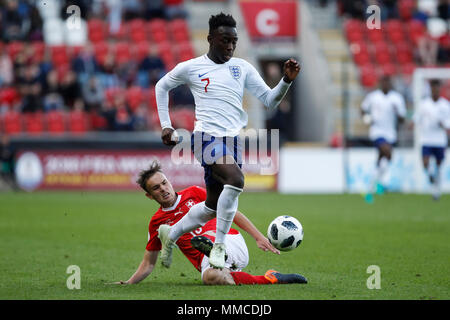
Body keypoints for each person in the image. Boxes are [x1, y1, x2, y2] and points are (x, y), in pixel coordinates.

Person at [154, 13, 300, 269]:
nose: (230, 46)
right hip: (205, 137)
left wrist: (286, 81)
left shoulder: (241, 68)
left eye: (234, 41)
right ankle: (219, 247)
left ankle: (171, 234)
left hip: (233, 140)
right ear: (210, 39)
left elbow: (269, 100)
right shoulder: (192, 67)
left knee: (212, 206)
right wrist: (166, 124)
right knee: (236, 180)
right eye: (225, 40)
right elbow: (161, 86)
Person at [107, 161, 308, 285]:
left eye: (164, 183)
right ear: (149, 196)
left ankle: (213, 249)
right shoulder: (156, 223)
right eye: (156, 188)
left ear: (169, 181)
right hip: (209, 264)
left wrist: (258, 237)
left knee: (211, 248)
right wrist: (129, 282)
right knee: (211, 278)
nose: (163, 189)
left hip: (230, 242)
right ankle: (270, 278)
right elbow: (149, 263)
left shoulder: (194, 193)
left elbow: (230, 211)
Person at [361, 75, 407, 202]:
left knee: (382, 161)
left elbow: (403, 118)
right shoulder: (373, 97)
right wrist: (367, 119)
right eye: (384, 82)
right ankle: (383, 183)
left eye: (388, 82)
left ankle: (370, 189)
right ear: (380, 83)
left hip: (390, 133)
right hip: (377, 132)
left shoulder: (396, 99)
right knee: (387, 152)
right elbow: (363, 109)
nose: (386, 85)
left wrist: (397, 112)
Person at [413, 79, 450, 201]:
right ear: (430, 89)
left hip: (439, 139)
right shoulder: (424, 104)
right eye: (433, 87)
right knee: (425, 162)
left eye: (437, 87)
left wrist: (443, 124)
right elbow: (416, 118)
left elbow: (448, 124)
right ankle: (430, 176)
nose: (435, 90)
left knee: (439, 166)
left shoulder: (445, 105)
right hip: (427, 138)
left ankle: (436, 192)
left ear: (440, 89)